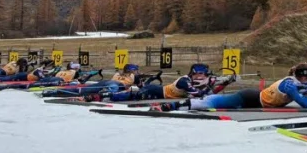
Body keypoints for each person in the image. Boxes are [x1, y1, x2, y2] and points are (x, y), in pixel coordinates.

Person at [156, 62, 307, 112]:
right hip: (251, 97)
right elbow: (305, 104)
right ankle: (174, 106)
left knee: (217, 101)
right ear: (301, 77)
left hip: (260, 102)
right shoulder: (289, 85)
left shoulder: (303, 86)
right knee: (212, 102)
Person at [88, 63, 234, 103]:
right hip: (156, 90)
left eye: (204, 74)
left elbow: (209, 93)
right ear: (193, 73)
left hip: (161, 94)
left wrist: (224, 84)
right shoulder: (185, 80)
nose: (202, 76)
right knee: (132, 95)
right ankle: (103, 96)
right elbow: (198, 94)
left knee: (134, 95)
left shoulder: (196, 82)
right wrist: (210, 84)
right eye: (199, 73)